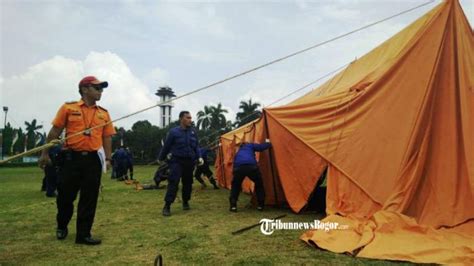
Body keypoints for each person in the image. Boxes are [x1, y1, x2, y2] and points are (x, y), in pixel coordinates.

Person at [38, 76, 116, 245]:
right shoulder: (68, 108)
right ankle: (62, 225)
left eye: (101, 88)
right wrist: (45, 153)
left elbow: (107, 137)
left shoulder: (104, 113)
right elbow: (54, 133)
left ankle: (83, 234)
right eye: (97, 88)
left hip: (93, 160)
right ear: (85, 89)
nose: (100, 91)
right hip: (71, 158)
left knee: (89, 198)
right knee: (65, 197)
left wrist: (108, 159)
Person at [158, 111, 203, 216]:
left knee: (188, 183)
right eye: (188, 118)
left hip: (189, 161)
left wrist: (199, 156)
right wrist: (160, 158)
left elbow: (196, 146)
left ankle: (186, 201)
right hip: (176, 161)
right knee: (173, 182)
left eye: (190, 118)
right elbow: (166, 146)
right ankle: (167, 205)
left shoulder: (193, 132)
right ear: (181, 119)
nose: (190, 120)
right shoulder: (173, 132)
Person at [229, 140, 271, 212]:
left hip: (239, 168)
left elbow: (235, 164)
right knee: (259, 184)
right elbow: (261, 147)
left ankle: (233, 206)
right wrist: (268, 143)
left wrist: (234, 174)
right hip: (251, 167)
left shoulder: (238, 151)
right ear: (247, 143)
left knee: (235, 186)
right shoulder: (250, 145)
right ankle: (260, 205)